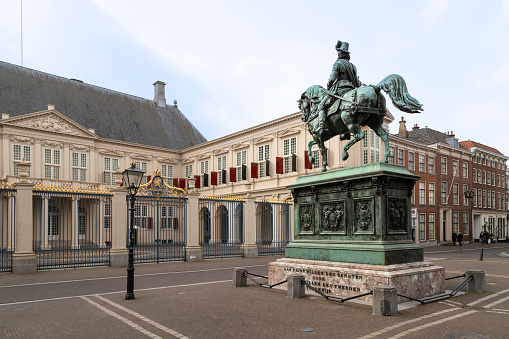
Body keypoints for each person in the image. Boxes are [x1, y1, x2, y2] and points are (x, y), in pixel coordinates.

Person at [313, 40, 361, 135]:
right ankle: (346, 132)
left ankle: (321, 127)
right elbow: (357, 83)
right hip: (351, 90)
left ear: (341, 53)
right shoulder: (353, 67)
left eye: (339, 52)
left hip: (340, 90)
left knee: (321, 105)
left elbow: (332, 79)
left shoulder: (338, 63)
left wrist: (328, 86)